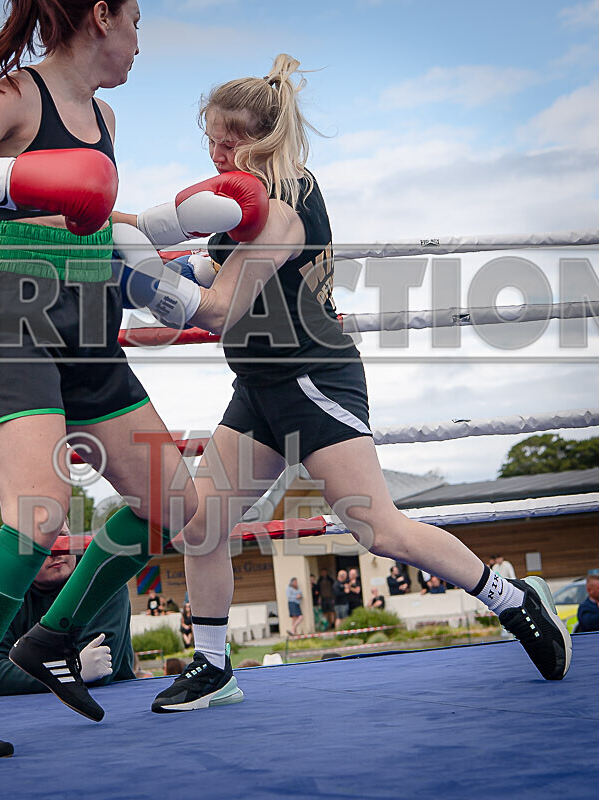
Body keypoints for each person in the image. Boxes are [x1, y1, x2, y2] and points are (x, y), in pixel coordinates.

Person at [131, 53, 571, 713]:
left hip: (312, 380)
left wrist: (138, 278)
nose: (217, 155)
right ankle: (213, 667)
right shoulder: (237, 206)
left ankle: (513, 599)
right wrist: (118, 240)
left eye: (229, 141)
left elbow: (220, 307)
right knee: (202, 526)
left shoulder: (288, 202)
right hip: (259, 388)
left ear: (264, 139)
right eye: (210, 141)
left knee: (377, 529)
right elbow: (210, 272)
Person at [0, 0, 257, 759]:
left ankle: (54, 635)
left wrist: (171, 227)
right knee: (38, 514)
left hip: (89, 326)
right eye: (136, 22)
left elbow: (87, 216)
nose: (139, 44)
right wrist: (11, 173)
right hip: (13, 319)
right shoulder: (16, 96)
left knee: (175, 507)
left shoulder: (105, 119)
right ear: (101, 17)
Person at [0, 554, 134, 696]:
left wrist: (56, 671)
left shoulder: (104, 578)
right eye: (44, 542)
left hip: (108, 704)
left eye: (63, 538)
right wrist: (72, 669)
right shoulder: (4, 590)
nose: (56, 552)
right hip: (26, 711)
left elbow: (100, 670)